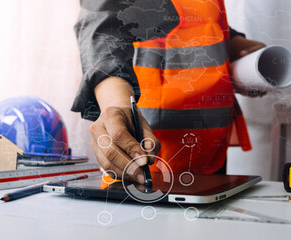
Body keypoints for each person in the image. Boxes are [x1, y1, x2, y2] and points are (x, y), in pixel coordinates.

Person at [71, 0, 266, 184]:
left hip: (211, 148)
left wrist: (232, 42)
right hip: (149, 154)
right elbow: (105, 28)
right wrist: (116, 106)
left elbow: (194, 17)